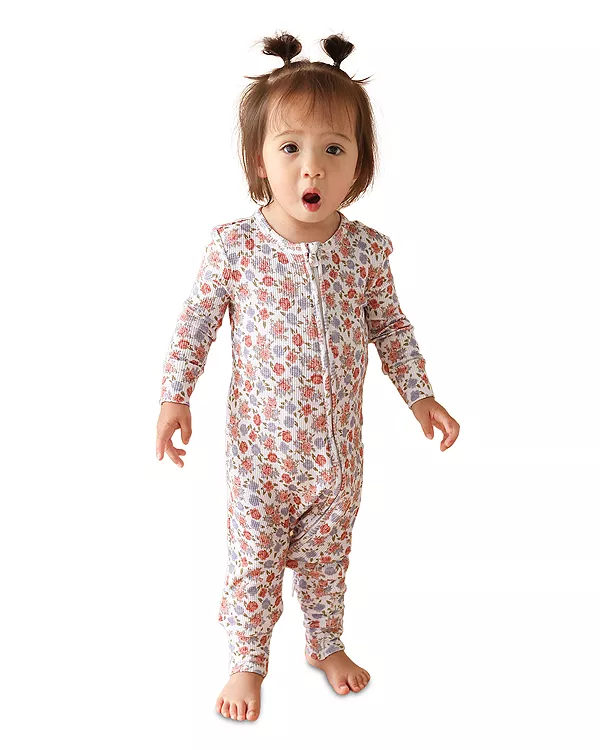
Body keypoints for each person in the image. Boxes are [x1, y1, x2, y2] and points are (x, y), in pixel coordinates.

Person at [155, 30, 460, 722]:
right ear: (259, 162)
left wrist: (421, 396)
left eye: (334, 150)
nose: (312, 170)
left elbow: (391, 328)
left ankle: (326, 644)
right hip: (261, 457)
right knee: (255, 562)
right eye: (290, 148)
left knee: (329, 558)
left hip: (338, 459)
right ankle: (246, 660)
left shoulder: (365, 253)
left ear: (360, 167)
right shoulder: (235, 248)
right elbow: (196, 324)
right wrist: (175, 396)